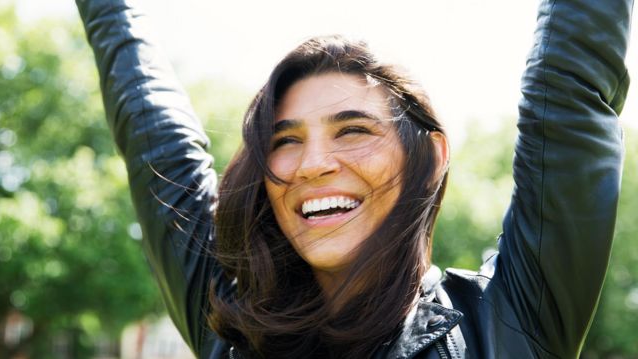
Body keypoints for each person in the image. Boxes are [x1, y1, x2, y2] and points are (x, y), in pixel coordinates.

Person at [76, 0, 633, 357]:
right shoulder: (229, 328)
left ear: (433, 156)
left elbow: (570, 96)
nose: (313, 163)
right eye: (285, 140)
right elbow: (151, 127)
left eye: (352, 131)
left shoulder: (512, 323)